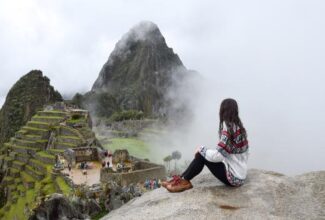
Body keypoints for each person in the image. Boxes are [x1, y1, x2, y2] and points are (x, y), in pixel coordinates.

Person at [163, 98, 249, 192]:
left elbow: (218, 156)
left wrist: (201, 149)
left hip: (233, 178)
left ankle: (184, 181)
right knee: (204, 153)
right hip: (240, 176)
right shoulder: (240, 128)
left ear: (223, 111)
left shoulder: (229, 130)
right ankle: (182, 178)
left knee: (201, 155)